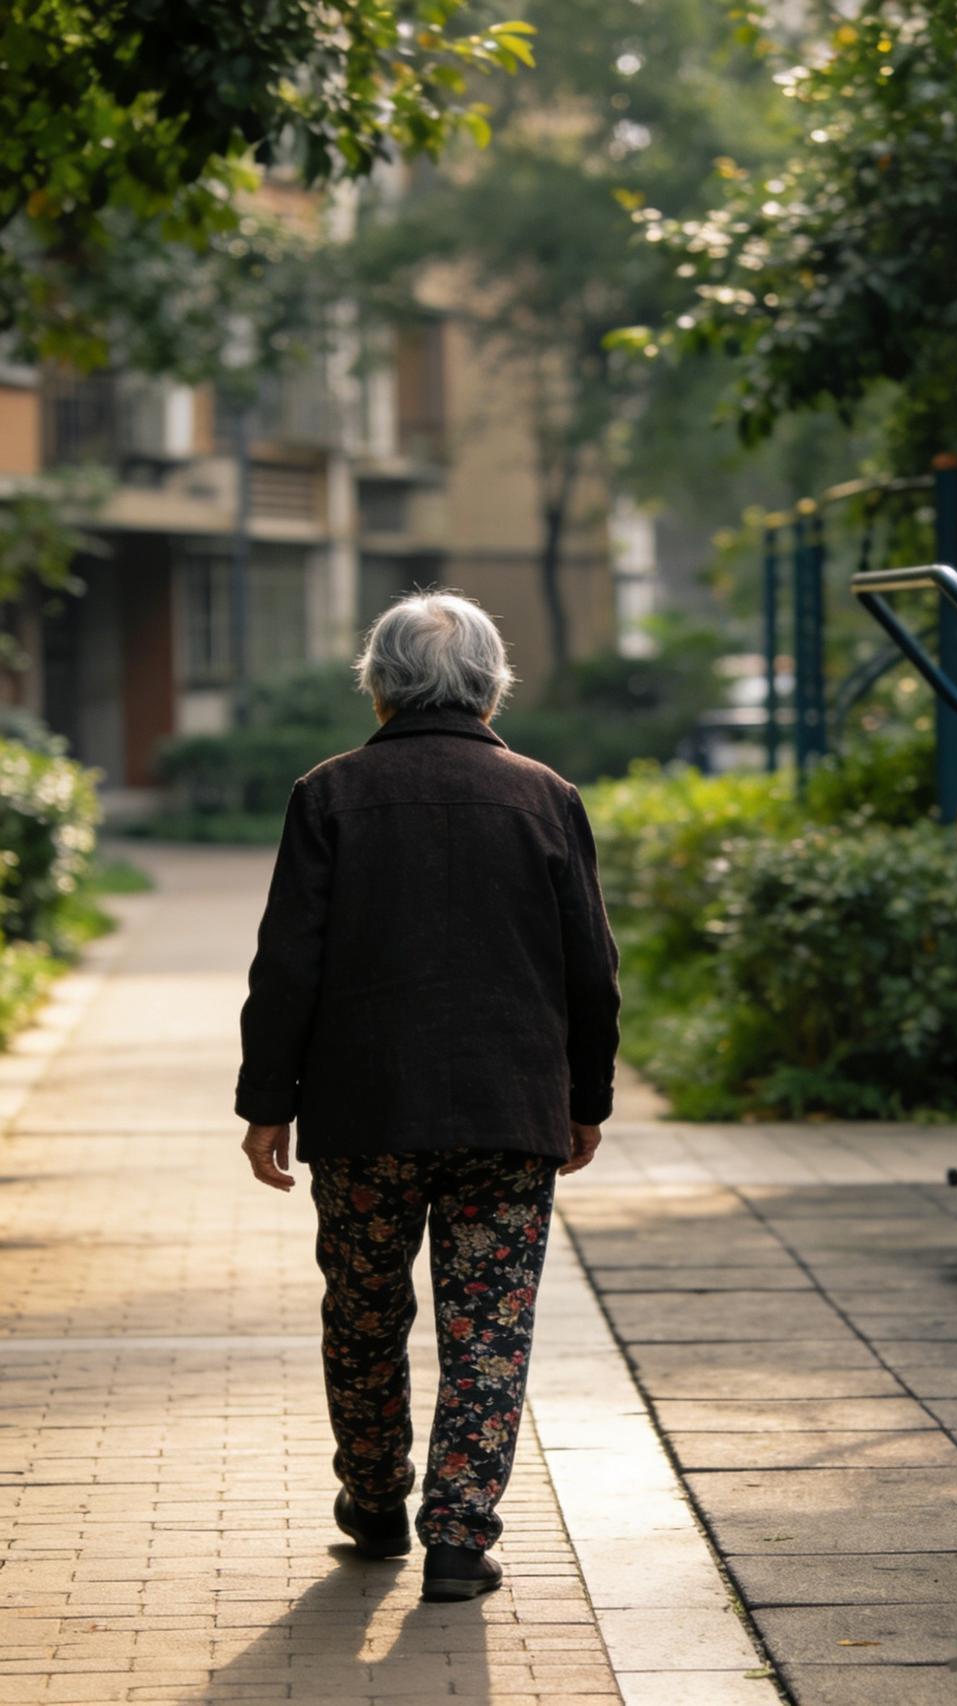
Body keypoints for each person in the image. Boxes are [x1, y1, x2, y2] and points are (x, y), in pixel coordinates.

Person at [233, 590, 621, 1602]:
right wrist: (586, 1096)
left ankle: (373, 1500)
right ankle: (458, 1533)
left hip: (366, 1115)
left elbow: (286, 965)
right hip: (508, 1112)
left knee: (363, 1310)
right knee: (488, 1323)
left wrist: (267, 1098)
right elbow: (591, 969)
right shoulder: (547, 796)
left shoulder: (328, 794)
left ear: (379, 684)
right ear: (491, 684)